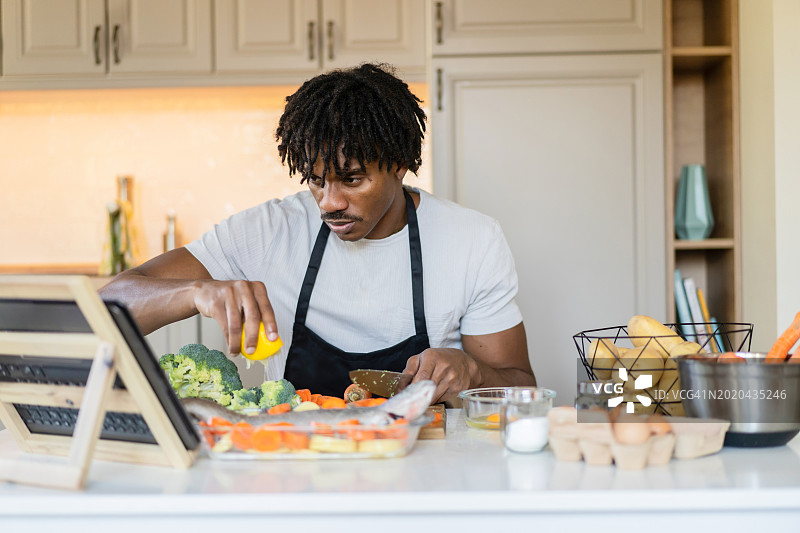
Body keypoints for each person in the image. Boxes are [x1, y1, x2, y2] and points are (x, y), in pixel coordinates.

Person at [99, 63, 535, 403]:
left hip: (426, 470)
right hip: (294, 466)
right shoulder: (268, 231)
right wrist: (194, 292)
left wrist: (472, 372)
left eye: (352, 180)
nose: (328, 202)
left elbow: (522, 389)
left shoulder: (471, 240)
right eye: (315, 180)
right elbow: (108, 302)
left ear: (400, 165)